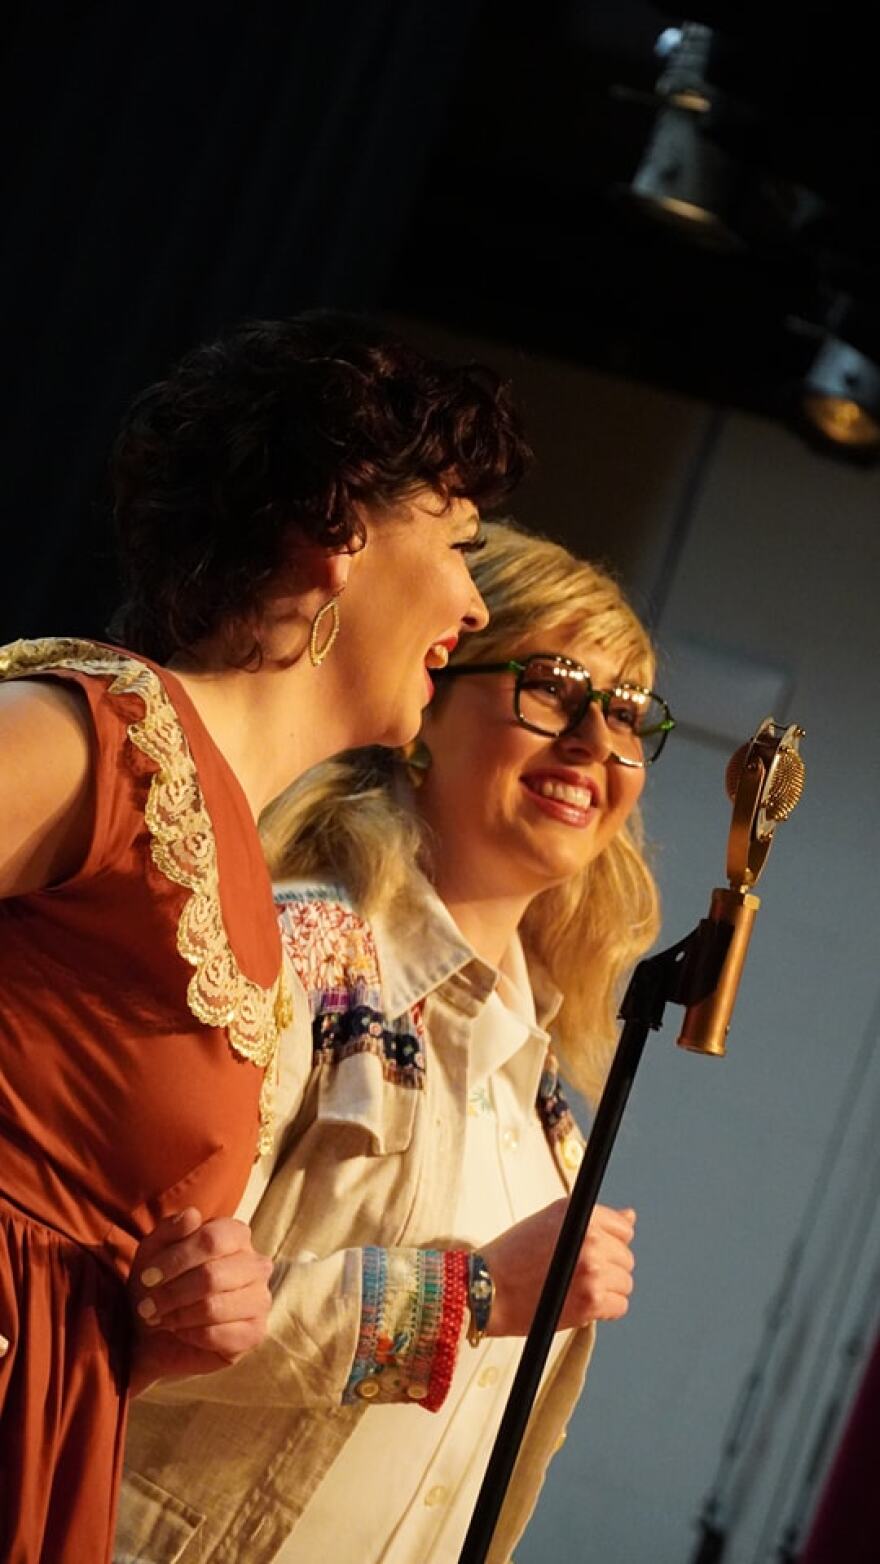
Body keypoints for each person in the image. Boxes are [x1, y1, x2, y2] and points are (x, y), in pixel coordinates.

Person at [0, 314, 531, 1564]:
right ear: (339, 530)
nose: (471, 596)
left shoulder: (232, 858)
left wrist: (182, 1314)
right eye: (456, 543)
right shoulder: (98, 740)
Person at [116, 519, 674, 1564]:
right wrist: (476, 1293)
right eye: (551, 686)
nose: (596, 743)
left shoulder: (546, 1113)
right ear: (428, 700)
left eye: (629, 716)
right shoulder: (293, 953)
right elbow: (134, 1300)